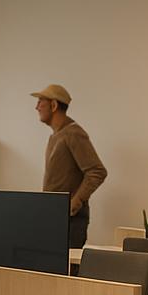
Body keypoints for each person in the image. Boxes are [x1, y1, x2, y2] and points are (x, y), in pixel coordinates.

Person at [32, 84, 106, 249]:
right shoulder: (56, 136)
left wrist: (76, 201)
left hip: (71, 221)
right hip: (54, 217)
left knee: (65, 272)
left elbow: (97, 172)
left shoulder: (73, 133)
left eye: (40, 102)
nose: (36, 107)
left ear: (54, 105)